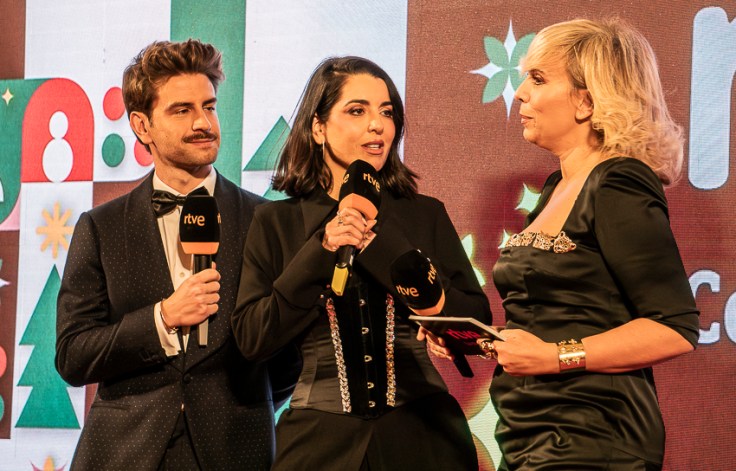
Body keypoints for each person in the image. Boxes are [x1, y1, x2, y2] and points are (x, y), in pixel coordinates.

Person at [433, 18, 700, 470]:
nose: (521, 93)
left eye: (538, 79)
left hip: (595, 437)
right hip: (529, 435)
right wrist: (473, 340)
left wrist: (555, 357)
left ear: (587, 100)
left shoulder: (618, 182)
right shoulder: (558, 186)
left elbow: (674, 327)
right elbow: (555, 316)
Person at [230, 56, 491, 470]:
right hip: (317, 444)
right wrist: (321, 249)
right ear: (318, 127)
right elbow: (253, 338)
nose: (377, 125)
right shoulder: (276, 222)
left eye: (386, 112)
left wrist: (385, 251)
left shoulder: (424, 214)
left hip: (426, 437)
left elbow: (477, 325)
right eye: (357, 111)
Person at [56, 39, 298, 470]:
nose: (203, 122)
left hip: (236, 451)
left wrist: (239, 408)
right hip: (123, 454)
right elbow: (73, 355)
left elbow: (287, 359)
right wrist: (161, 318)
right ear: (142, 125)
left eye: (209, 107)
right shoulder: (101, 227)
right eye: (182, 110)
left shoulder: (266, 220)